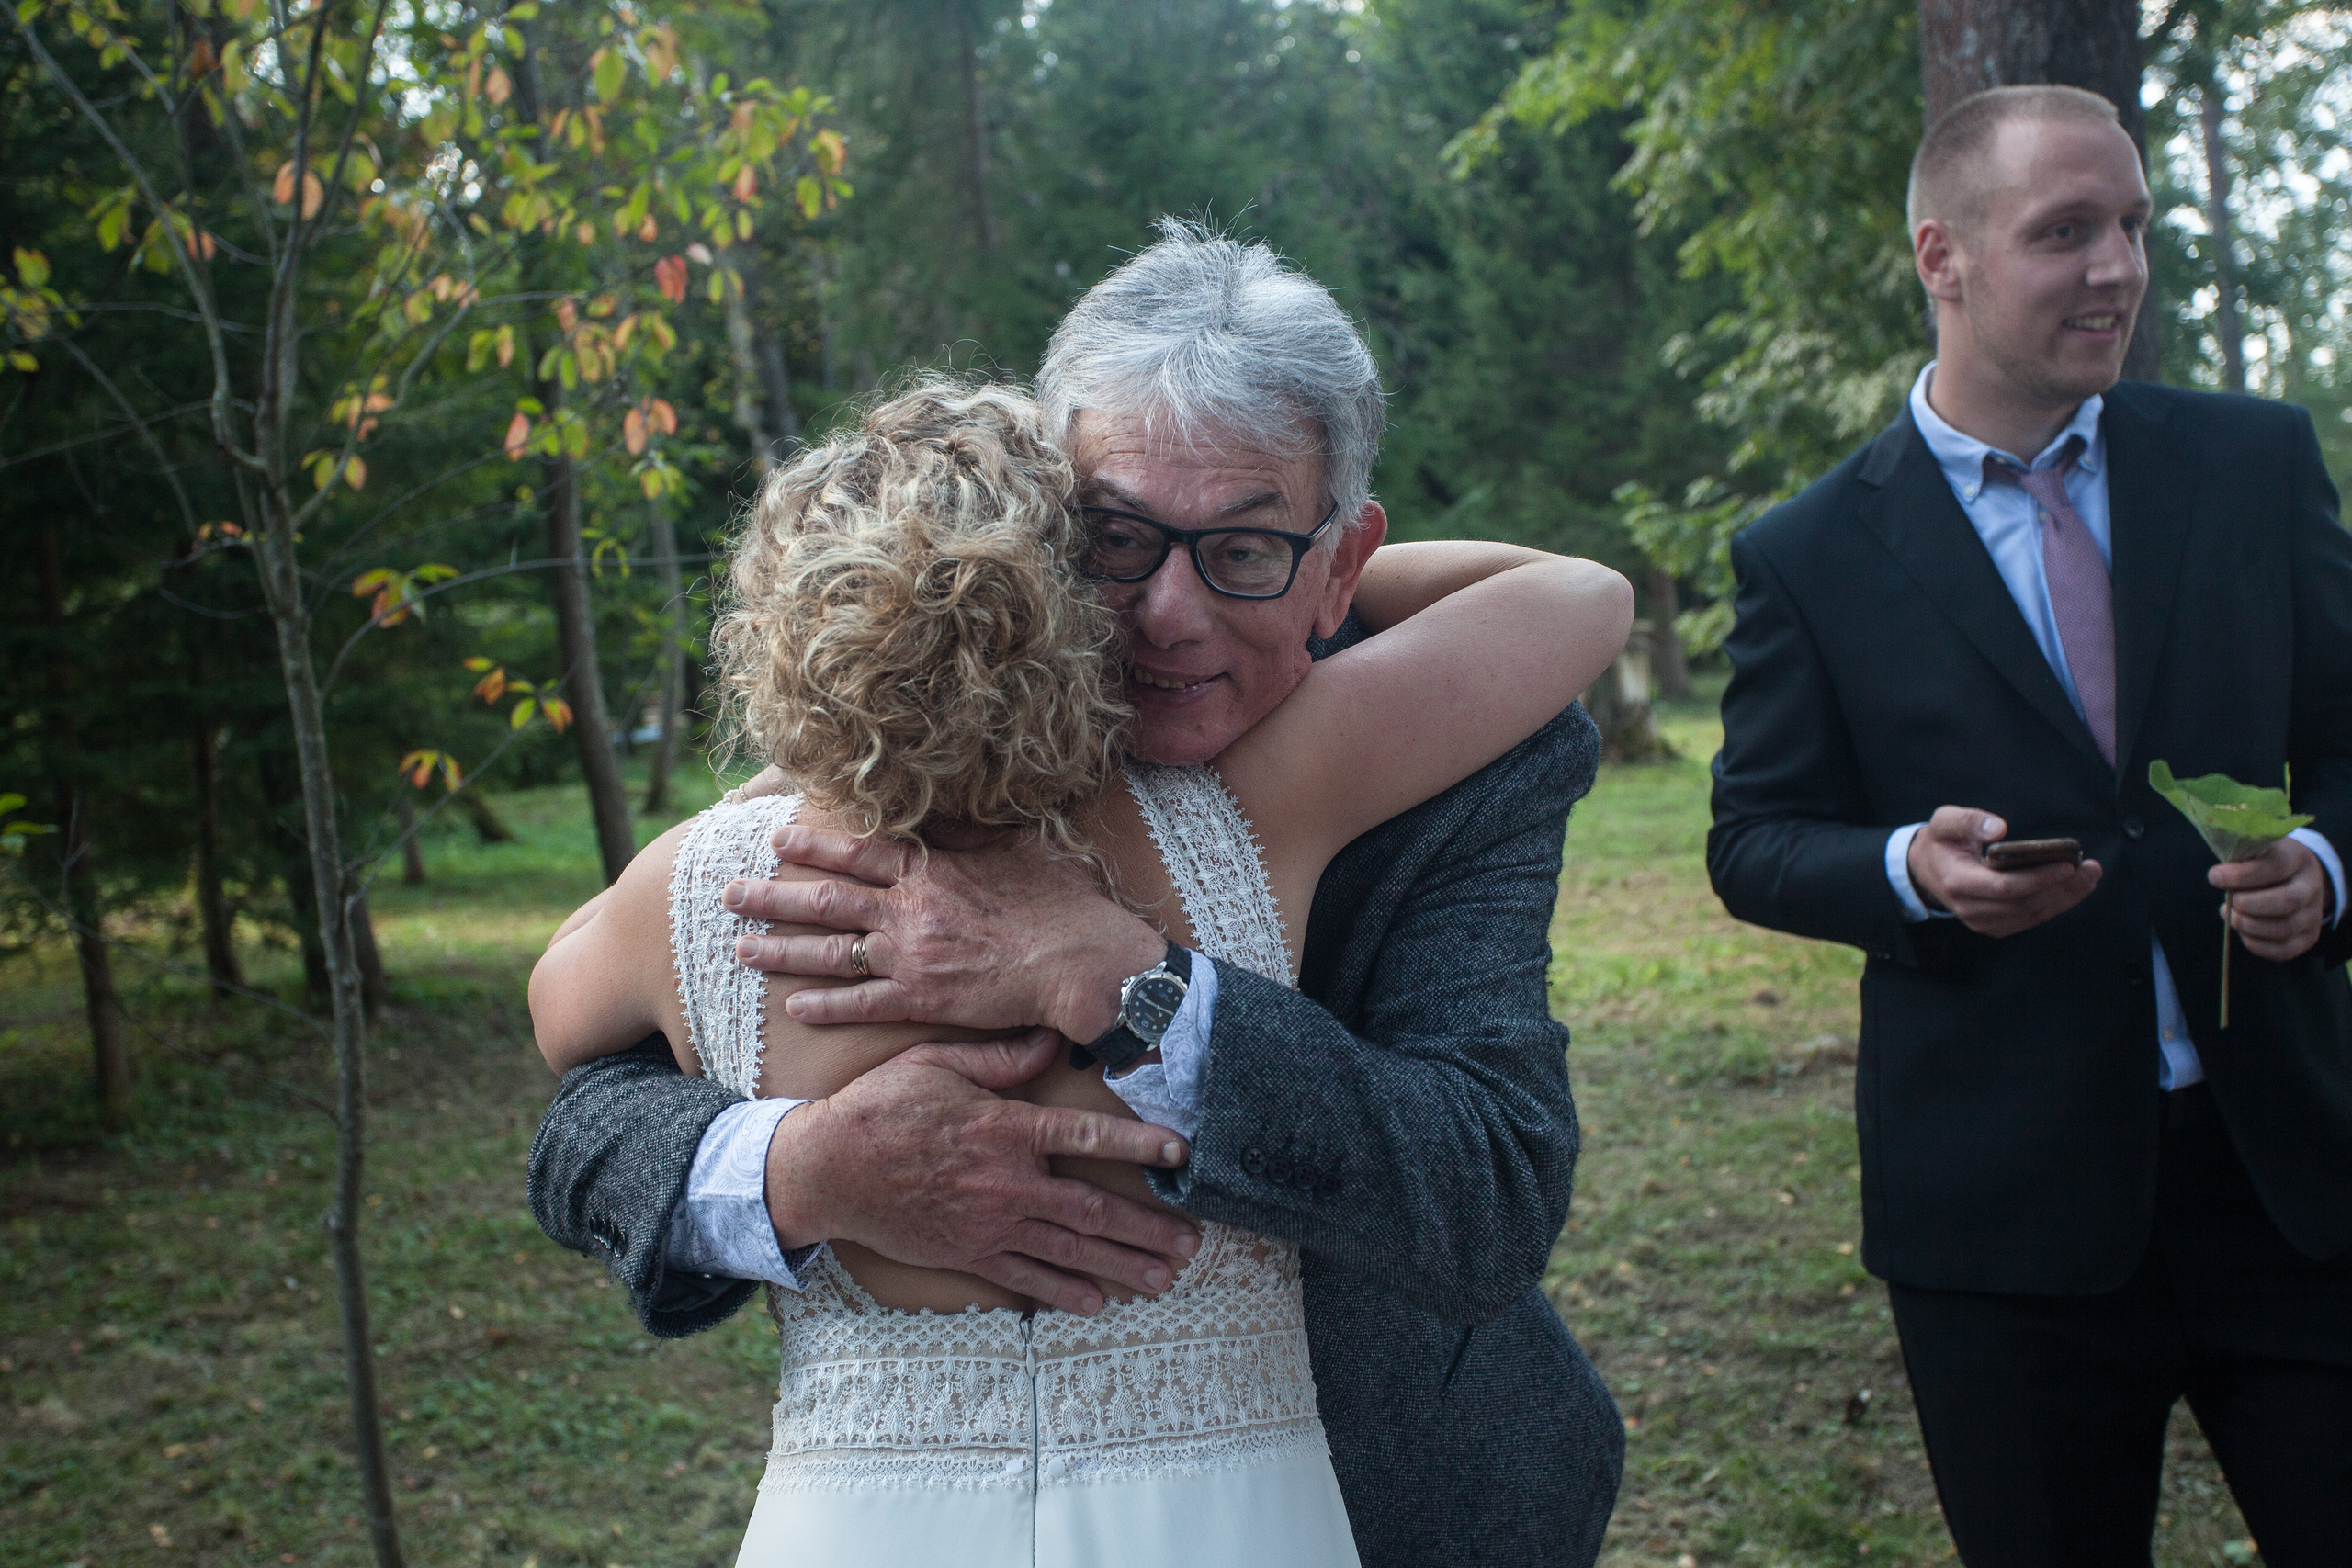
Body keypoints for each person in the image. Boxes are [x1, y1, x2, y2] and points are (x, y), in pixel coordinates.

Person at [527, 221, 1631, 1566]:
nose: (1168, 616)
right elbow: (587, 1129)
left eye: (1244, 551)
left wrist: (1128, 981)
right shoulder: (790, 848)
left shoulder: (1450, 749)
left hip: (1407, 1483)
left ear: (1343, 564)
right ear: (1036, 536)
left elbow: (1489, 1194)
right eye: (1113, 540)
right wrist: (800, 1170)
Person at [1708, 85, 2352, 1565]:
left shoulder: (2254, 467)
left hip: (2295, 1179)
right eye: (2066, 232)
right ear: (1943, 256)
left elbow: (2346, 739)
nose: (2118, 267)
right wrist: (1906, 875)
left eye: (2132, 224)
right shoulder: (1807, 554)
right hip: (2003, 1221)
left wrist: (2324, 867)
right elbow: (1752, 838)